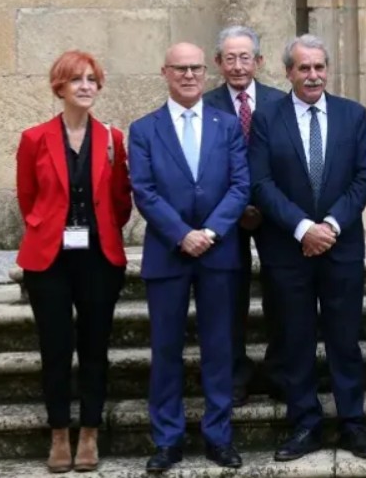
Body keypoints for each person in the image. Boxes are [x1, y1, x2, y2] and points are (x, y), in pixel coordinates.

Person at [249, 35, 366, 461]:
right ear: (288, 72)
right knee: (296, 339)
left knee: (345, 339)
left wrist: (330, 226)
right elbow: (261, 183)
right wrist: (304, 228)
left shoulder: (353, 115)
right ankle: (305, 424)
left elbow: (364, 178)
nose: (313, 75)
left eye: (319, 67)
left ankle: (353, 425)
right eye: (303, 68)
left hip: (341, 248)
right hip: (288, 250)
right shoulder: (268, 119)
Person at [128, 43, 250, 472]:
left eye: (196, 68)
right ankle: (168, 440)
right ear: (165, 72)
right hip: (168, 253)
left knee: (219, 348)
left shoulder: (227, 124)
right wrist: (182, 235)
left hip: (219, 253)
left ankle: (219, 437)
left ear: (205, 72)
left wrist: (211, 232)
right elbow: (143, 190)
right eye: (180, 68)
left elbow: (240, 185)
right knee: (165, 350)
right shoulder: (144, 129)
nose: (189, 75)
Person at [15, 50, 132, 473]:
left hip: (100, 257)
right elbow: (27, 196)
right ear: (59, 87)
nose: (86, 86)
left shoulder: (113, 139)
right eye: (77, 79)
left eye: (92, 79)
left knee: (95, 347)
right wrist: (46, 225)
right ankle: (59, 433)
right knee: (56, 348)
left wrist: (103, 227)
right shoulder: (34, 138)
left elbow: (121, 200)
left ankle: (90, 433)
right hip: (49, 260)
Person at [203, 25, 288, 406]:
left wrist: (263, 204)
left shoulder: (280, 102)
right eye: (230, 58)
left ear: (260, 61)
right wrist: (236, 209)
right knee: (228, 298)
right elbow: (204, 166)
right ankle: (234, 373)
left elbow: (287, 161)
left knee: (281, 295)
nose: (238, 66)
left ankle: (278, 370)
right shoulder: (205, 105)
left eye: (245, 57)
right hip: (225, 217)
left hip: (274, 215)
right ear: (218, 63)